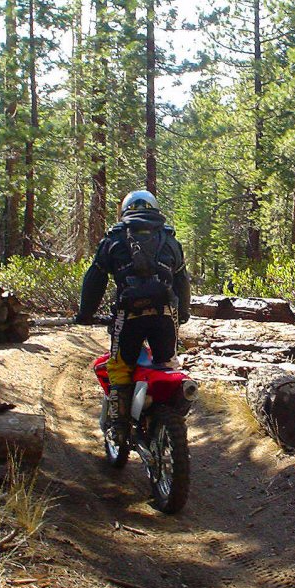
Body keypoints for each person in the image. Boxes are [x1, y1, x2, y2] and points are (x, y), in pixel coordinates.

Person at [75, 190, 191, 443]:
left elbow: (94, 279)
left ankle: (118, 426)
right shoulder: (170, 239)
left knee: (119, 367)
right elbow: (182, 280)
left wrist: (85, 314)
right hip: (164, 316)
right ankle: (170, 416)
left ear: (126, 209)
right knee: (167, 365)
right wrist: (183, 313)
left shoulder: (114, 239)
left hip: (129, 316)